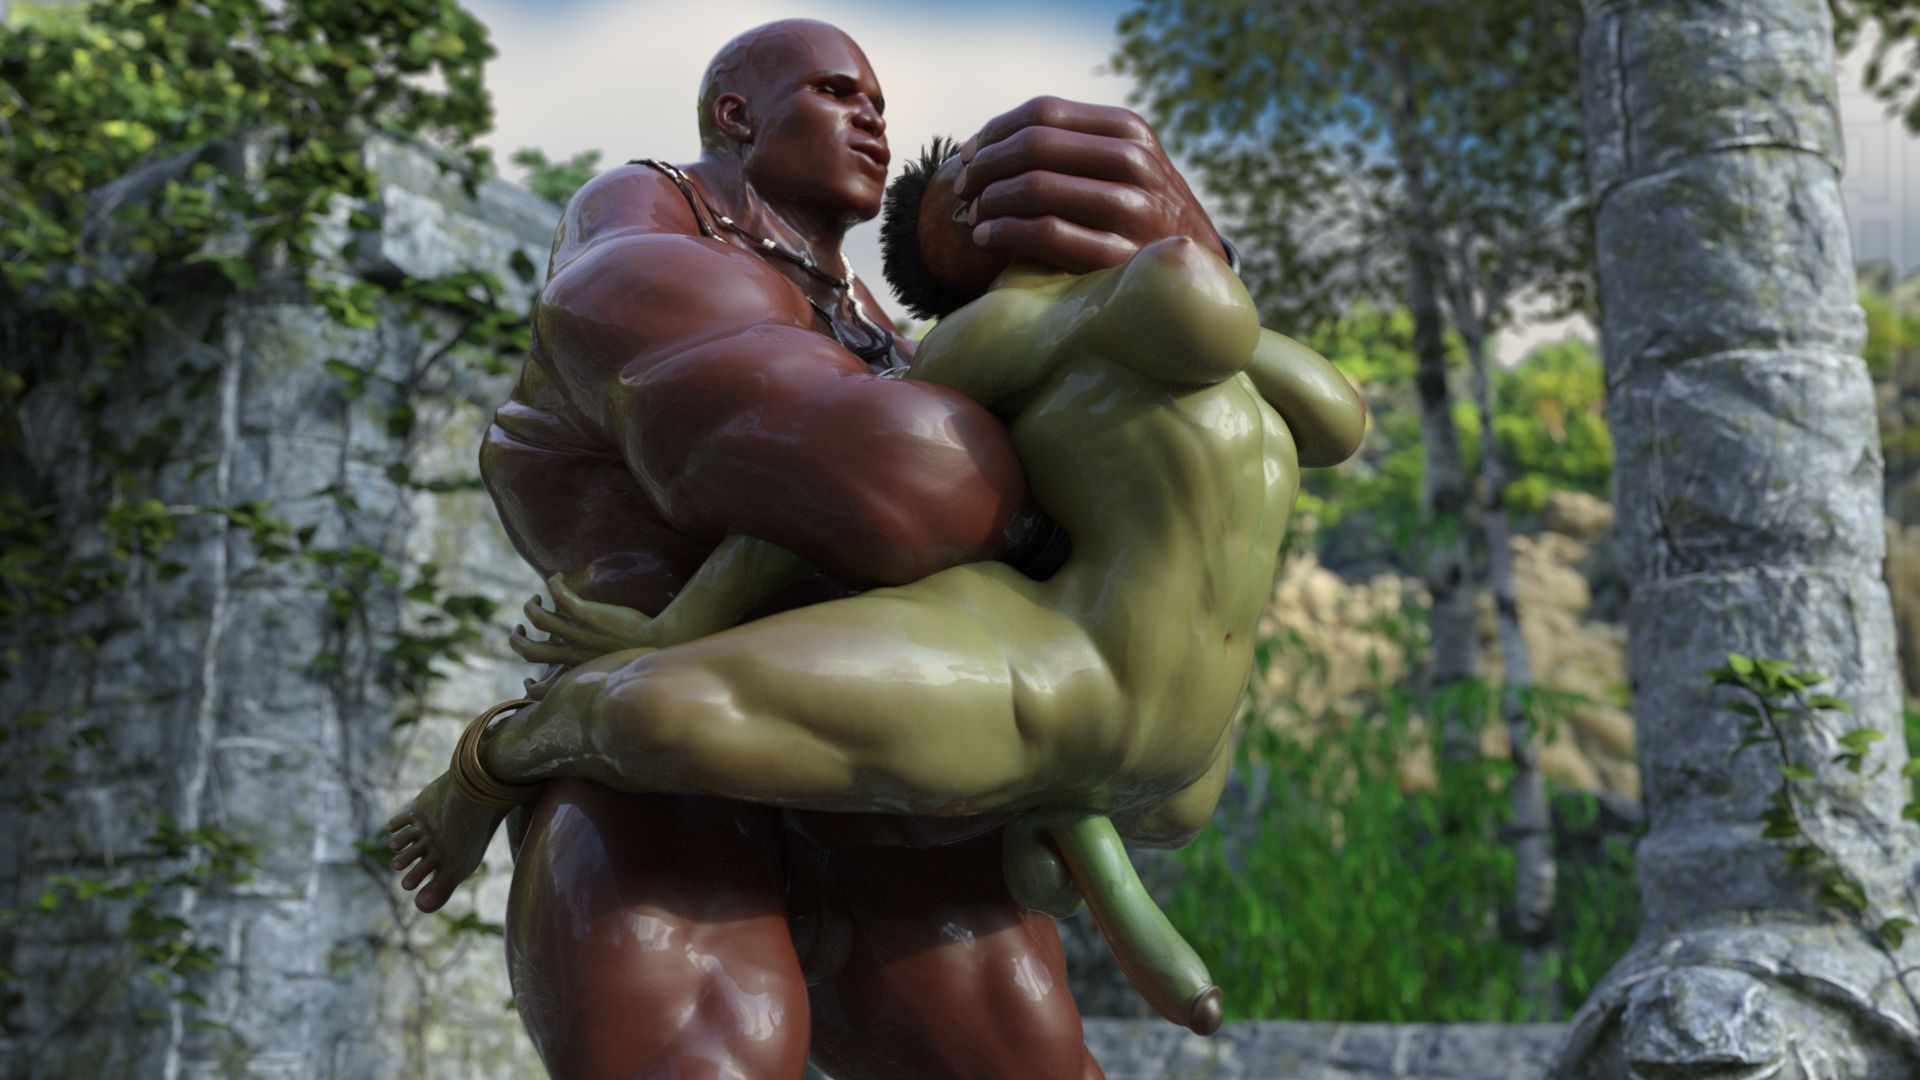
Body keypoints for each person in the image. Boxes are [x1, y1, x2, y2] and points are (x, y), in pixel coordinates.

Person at [388, 19, 1256, 1080]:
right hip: (661, 782)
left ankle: (501, 757)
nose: (874, 122)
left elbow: (1177, 501)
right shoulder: (644, 251)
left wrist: (1193, 270)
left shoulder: (898, 338)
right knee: (701, 1060)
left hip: (881, 765)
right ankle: (497, 757)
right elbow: (907, 481)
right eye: (839, 93)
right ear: (738, 115)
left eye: (882, 106)